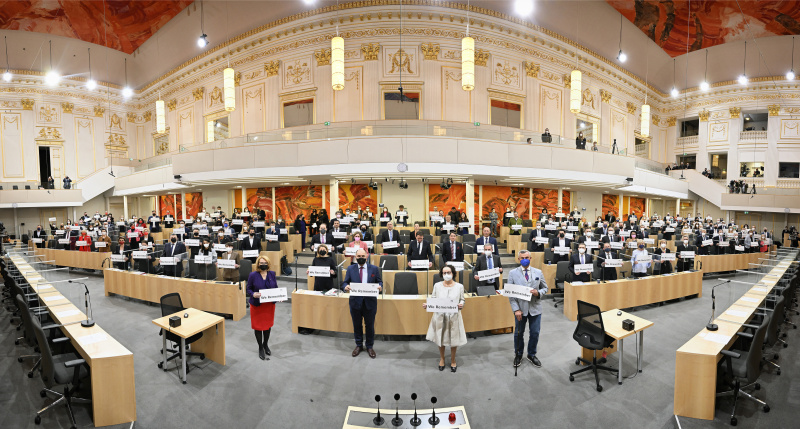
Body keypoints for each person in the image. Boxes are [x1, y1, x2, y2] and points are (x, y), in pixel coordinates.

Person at [507, 250, 547, 368]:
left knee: (535, 333)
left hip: (535, 308)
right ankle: (518, 354)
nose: (525, 259)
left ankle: (531, 354)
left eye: (527, 257)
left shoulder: (538, 272)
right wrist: (516, 310)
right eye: (522, 257)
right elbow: (511, 293)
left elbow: (545, 288)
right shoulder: (512, 273)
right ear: (519, 259)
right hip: (520, 309)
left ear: (530, 258)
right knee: (518, 334)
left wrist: (538, 293)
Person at [424, 264, 466, 372]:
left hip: (454, 317)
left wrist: (461, 304)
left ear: (453, 273)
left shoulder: (459, 286)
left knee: (453, 339)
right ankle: (442, 359)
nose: (446, 275)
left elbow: (462, 300)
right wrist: (428, 305)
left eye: (448, 272)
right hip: (440, 316)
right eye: (444, 273)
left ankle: (453, 360)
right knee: (440, 338)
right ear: (441, 274)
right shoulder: (437, 286)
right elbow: (433, 299)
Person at [341, 249, 383, 358]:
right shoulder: (350, 268)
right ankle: (358, 345)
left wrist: (380, 286)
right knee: (357, 324)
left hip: (370, 302)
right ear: (355, 256)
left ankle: (369, 346)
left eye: (363, 256)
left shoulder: (374, 269)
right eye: (359, 255)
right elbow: (345, 282)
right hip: (355, 302)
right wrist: (345, 286)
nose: (361, 257)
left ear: (367, 256)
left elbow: (379, 281)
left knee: (369, 325)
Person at [246, 256, 279, 360]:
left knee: (267, 326)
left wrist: (279, 296)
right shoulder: (253, 275)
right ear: (258, 264)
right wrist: (253, 294)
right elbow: (248, 289)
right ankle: (260, 347)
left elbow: (276, 287)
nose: (263, 264)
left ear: (268, 263)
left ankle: (265, 344)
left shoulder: (272, 274)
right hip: (257, 305)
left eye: (265, 262)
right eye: (261, 262)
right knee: (258, 326)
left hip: (269, 305)